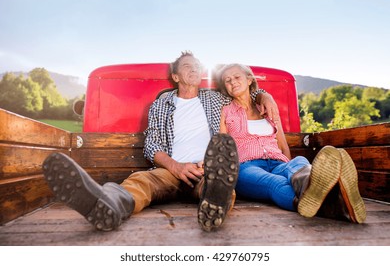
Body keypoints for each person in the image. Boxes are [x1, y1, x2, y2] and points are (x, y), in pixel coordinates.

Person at [42, 51, 279, 232]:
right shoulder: (161, 105)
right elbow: (152, 145)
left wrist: (263, 94)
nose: (194, 69)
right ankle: (109, 204)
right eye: (188, 66)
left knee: (220, 184)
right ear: (176, 76)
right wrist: (176, 166)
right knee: (140, 180)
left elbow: (242, 92)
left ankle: (214, 205)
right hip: (170, 170)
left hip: (206, 169)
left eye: (197, 66)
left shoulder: (216, 99)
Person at [216, 63, 366, 223]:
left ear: (249, 80)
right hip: (247, 167)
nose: (233, 82)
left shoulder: (267, 107)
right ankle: (334, 204)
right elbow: (222, 147)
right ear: (225, 87)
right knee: (276, 183)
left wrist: (286, 164)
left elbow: (282, 145)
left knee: (300, 163)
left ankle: (313, 187)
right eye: (228, 80)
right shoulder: (225, 111)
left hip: (277, 162)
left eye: (237, 77)